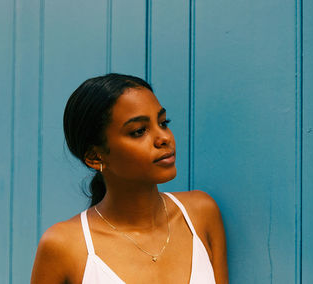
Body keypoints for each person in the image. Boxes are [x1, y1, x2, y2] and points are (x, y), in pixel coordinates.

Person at [31, 73, 228, 283]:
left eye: (163, 122)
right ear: (95, 156)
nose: (164, 138)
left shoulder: (201, 214)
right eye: (139, 131)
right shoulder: (64, 245)